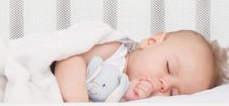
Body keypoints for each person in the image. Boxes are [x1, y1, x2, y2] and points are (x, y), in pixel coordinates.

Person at [53, 29, 229, 102]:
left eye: (173, 93)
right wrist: (79, 101)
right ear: (152, 41)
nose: (164, 85)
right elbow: (70, 58)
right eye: (168, 67)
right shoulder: (115, 49)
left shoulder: (137, 98)